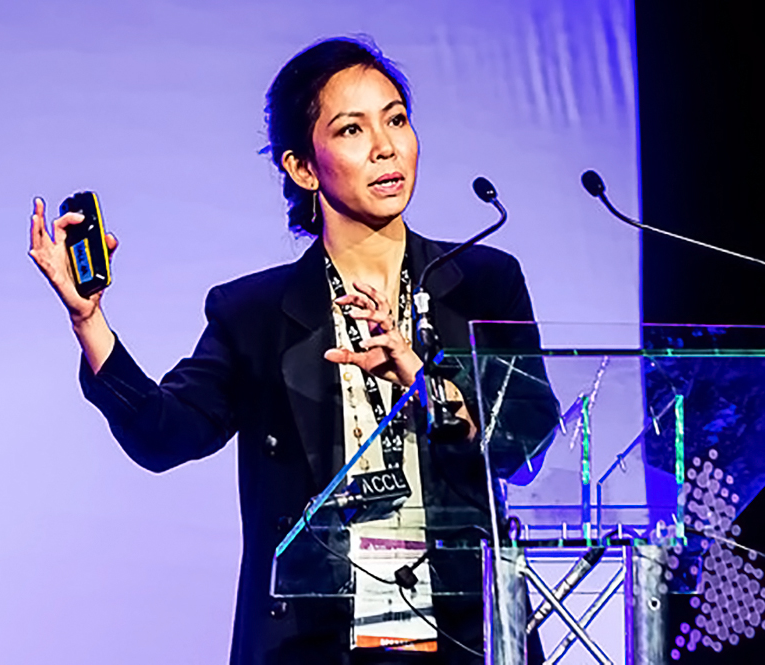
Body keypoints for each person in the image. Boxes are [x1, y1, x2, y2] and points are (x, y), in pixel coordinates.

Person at [29, 37, 550, 665]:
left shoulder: (485, 282)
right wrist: (90, 322)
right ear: (303, 168)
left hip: (468, 634)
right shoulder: (254, 314)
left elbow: (525, 441)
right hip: (312, 643)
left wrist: (428, 386)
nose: (386, 147)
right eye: (352, 129)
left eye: (397, 119)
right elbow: (164, 437)